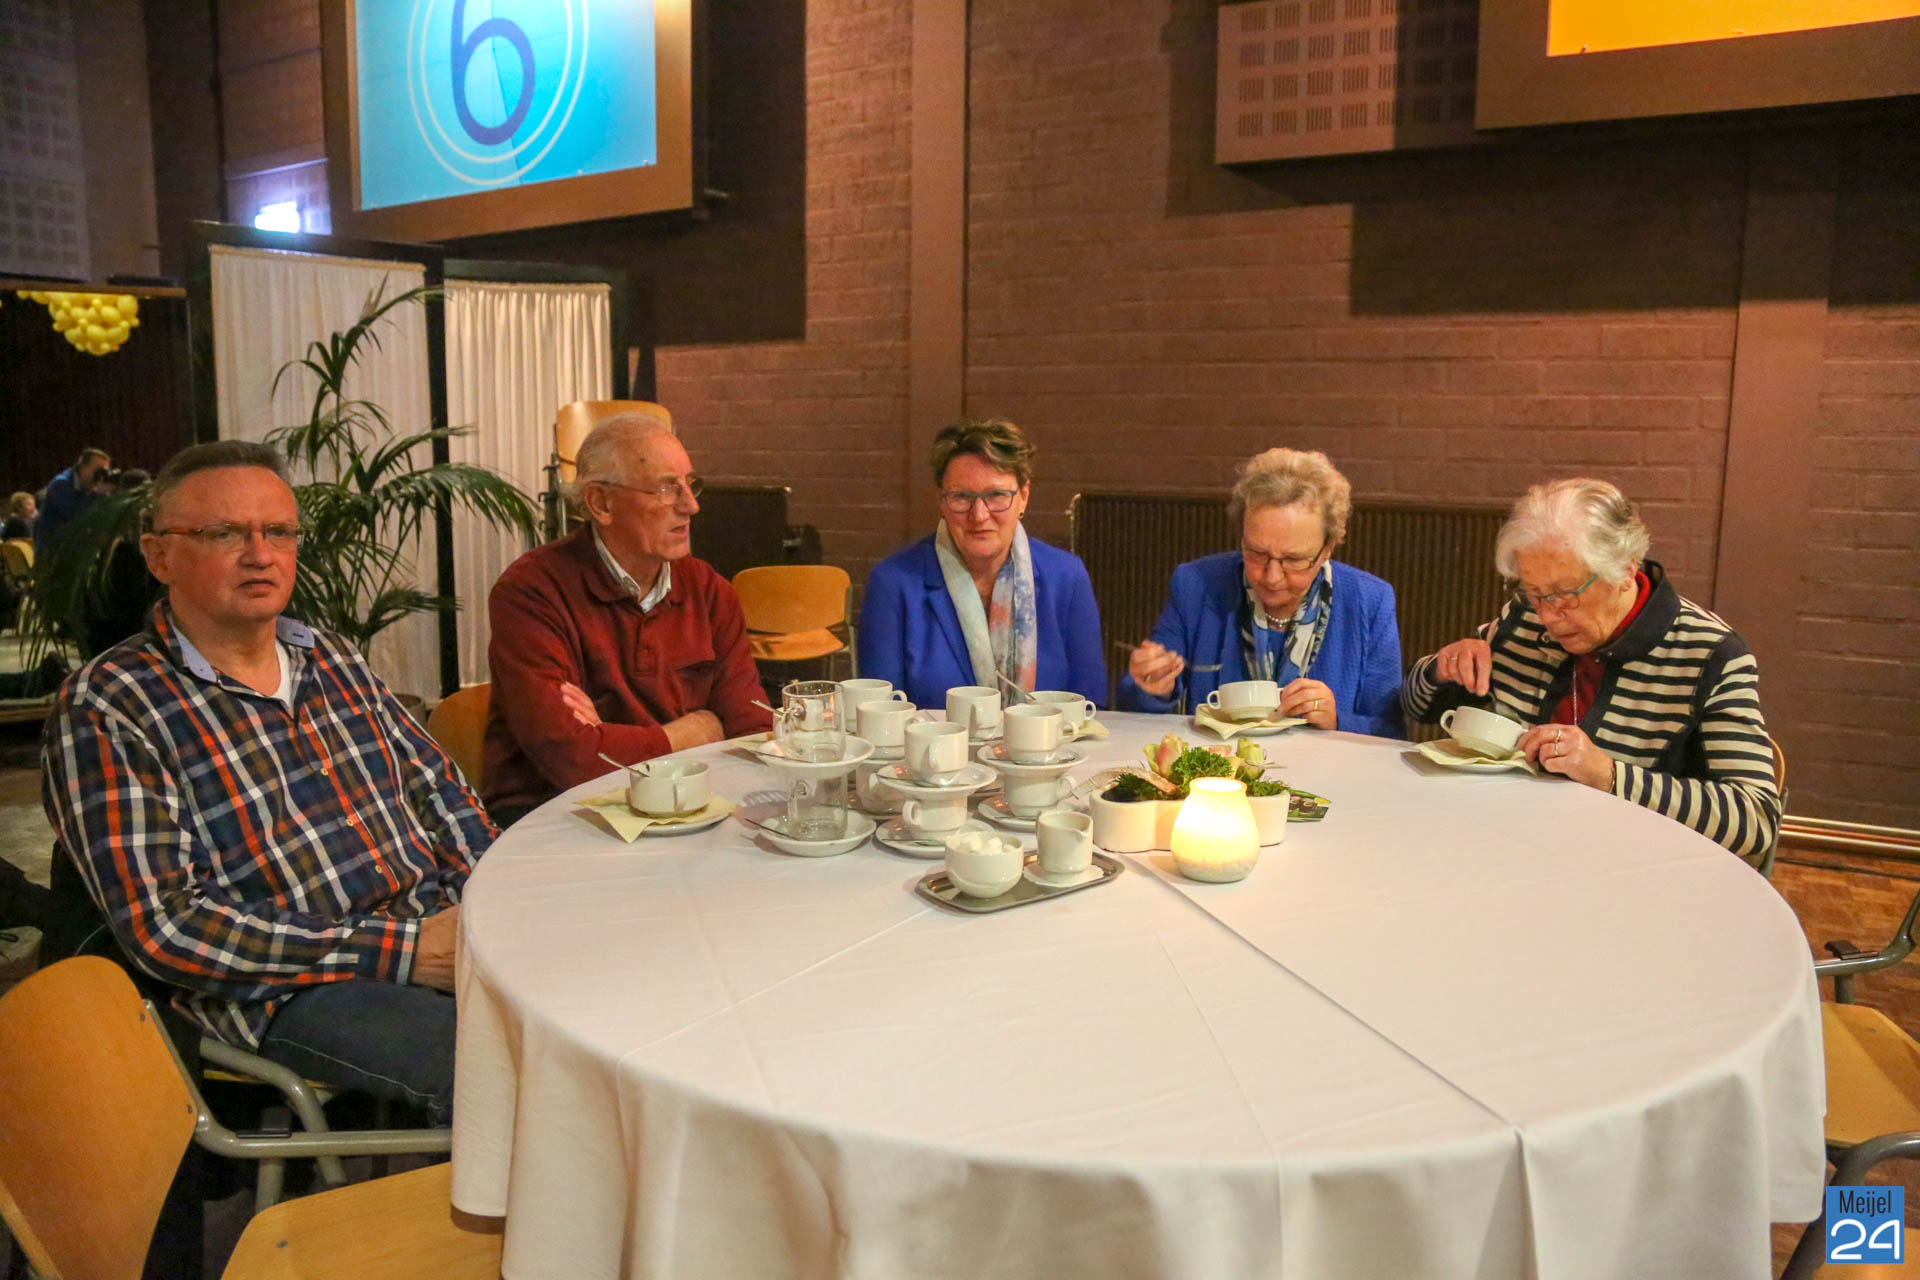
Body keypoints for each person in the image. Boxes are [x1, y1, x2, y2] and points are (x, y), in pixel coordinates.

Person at [41, 439, 493, 1121]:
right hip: (292, 988)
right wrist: (406, 951)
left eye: (278, 531)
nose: (261, 554)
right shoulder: (110, 703)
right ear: (159, 556)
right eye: (224, 533)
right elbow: (171, 926)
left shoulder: (331, 656)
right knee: (510, 1066)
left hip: (435, 926)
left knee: (601, 1002)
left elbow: (442, 796)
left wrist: (489, 902)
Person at [1402, 478, 1780, 864]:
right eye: (1535, 592)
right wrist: (1441, 670)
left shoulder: (1709, 654)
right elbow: (1416, 706)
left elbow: (1754, 820)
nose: (1548, 616)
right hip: (1505, 846)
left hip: (1629, 866)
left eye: (1566, 594)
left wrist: (1610, 776)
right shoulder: (1524, 618)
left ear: (1624, 570)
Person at [483, 415, 773, 825]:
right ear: (601, 503)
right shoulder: (531, 593)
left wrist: (609, 739)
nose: (691, 506)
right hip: (558, 814)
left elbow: (752, 733)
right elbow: (572, 759)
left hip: (684, 805)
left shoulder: (710, 591)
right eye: (665, 488)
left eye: (690, 484)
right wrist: (690, 733)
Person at [1118, 448, 1404, 737]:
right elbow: (1135, 708)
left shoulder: (1370, 602)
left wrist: (1338, 721)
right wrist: (1149, 686)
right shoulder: (1197, 585)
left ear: (1327, 549)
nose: (1271, 576)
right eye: (1256, 553)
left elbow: (1391, 731)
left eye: (1293, 560)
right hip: (1219, 762)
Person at [859, 417, 1105, 709]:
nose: (979, 515)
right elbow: (878, 716)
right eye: (961, 497)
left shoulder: (1067, 578)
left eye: (997, 495)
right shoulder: (892, 584)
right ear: (941, 501)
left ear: (1023, 497)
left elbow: (1092, 708)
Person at [34, 446, 112, 556]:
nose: (101, 477)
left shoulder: (88, 487)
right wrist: (98, 494)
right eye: (99, 471)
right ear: (83, 467)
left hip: (73, 549)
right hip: (52, 554)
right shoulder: (61, 484)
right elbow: (80, 516)